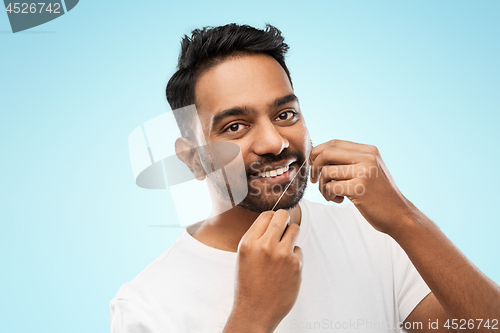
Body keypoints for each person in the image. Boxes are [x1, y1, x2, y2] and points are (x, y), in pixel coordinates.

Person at [110, 23, 500, 333]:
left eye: (285, 115)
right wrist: (252, 318)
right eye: (235, 126)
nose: (274, 142)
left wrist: (405, 219)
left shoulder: (373, 234)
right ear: (193, 159)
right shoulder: (146, 305)